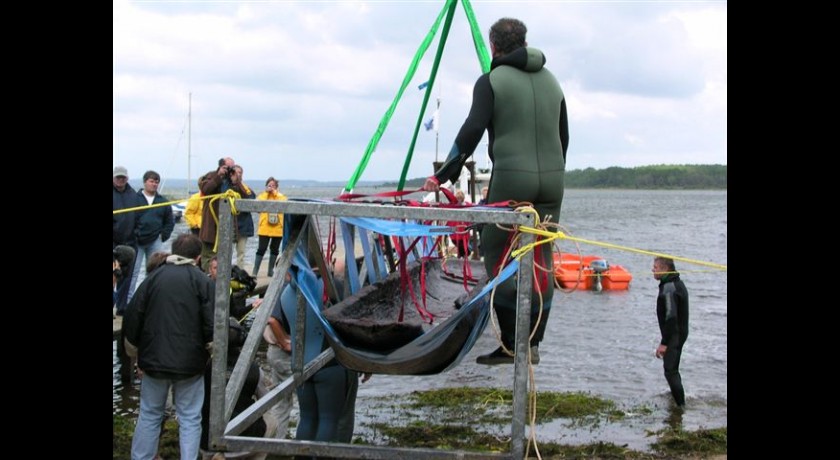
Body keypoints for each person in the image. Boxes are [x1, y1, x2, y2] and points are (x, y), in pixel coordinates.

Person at [422, 17, 569, 366]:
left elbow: (472, 129)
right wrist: (552, 170)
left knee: (497, 250)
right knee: (542, 256)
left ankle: (511, 346)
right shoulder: (553, 81)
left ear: (494, 46)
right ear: (523, 41)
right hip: (553, 178)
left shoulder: (491, 81)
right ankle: (535, 343)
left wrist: (444, 175)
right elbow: (564, 136)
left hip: (512, 179)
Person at [122, 233, 215, 460]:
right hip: (190, 364)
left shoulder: (153, 278)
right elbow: (212, 323)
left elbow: (133, 315)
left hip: (153, 361)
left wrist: (134, 351)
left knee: (150, 414)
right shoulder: (203, 281)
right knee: (190, 417)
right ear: (198, 257)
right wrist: (211, 350)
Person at [128, 170, 175, 302]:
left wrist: (163, 236)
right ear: (145, 182)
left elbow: (169, 222)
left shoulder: (163, 201)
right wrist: (133, 234)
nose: (154, 184)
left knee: (154, 271)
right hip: (136, 241)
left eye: (156, 182)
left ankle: (150, 299)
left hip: (155, 240)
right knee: (133, 272)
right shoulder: (135, 199)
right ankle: (129, 301)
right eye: (151, 181)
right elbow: (129, 219)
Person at [198, 157, 251, 272]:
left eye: (232, 167)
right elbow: (206, 190)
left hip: (227, 227)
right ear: (221, 166)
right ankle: (208, 280)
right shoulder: (211, 176)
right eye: (227, 168)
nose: (229, 170)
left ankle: (224, 283)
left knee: (225, 257)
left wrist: (237, 181)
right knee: (208, 257)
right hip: (211, 226)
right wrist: (219, 176)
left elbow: (246, 198)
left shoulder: (233, 181)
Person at [653, 256, 689, 408]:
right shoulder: (672, 283)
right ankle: (675, 399)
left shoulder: (669, 288)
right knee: (671, 369)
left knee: (670, 370)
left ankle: (680, 406)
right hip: (677, 332)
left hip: (675, 334)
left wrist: (664, 343)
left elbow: (671, 316)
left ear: (665, 269)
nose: (652, 270)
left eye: (655, 267)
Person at [253, 177, 287, 277]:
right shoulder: (263, 196)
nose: (271, 187)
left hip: (277, 227)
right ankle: (255, 271)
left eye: (273, 185)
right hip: (265, 227)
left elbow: (284, 202)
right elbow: (258, 203)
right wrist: (266, 193)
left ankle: (270, 270)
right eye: (269, 185)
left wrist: (275, 193)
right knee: (261, 249)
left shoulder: (280, 196)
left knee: (274, 249)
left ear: (276, 187)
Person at [231, 165, 256, 268]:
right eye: (236, 172)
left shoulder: (245, 187)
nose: (238, 174)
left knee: (241, 252)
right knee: (227, 251)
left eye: (240, 172)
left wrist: (239, 184)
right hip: (230, 224)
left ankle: (240, 273)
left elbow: (251, 197)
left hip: (243, 224)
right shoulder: (226, 187)